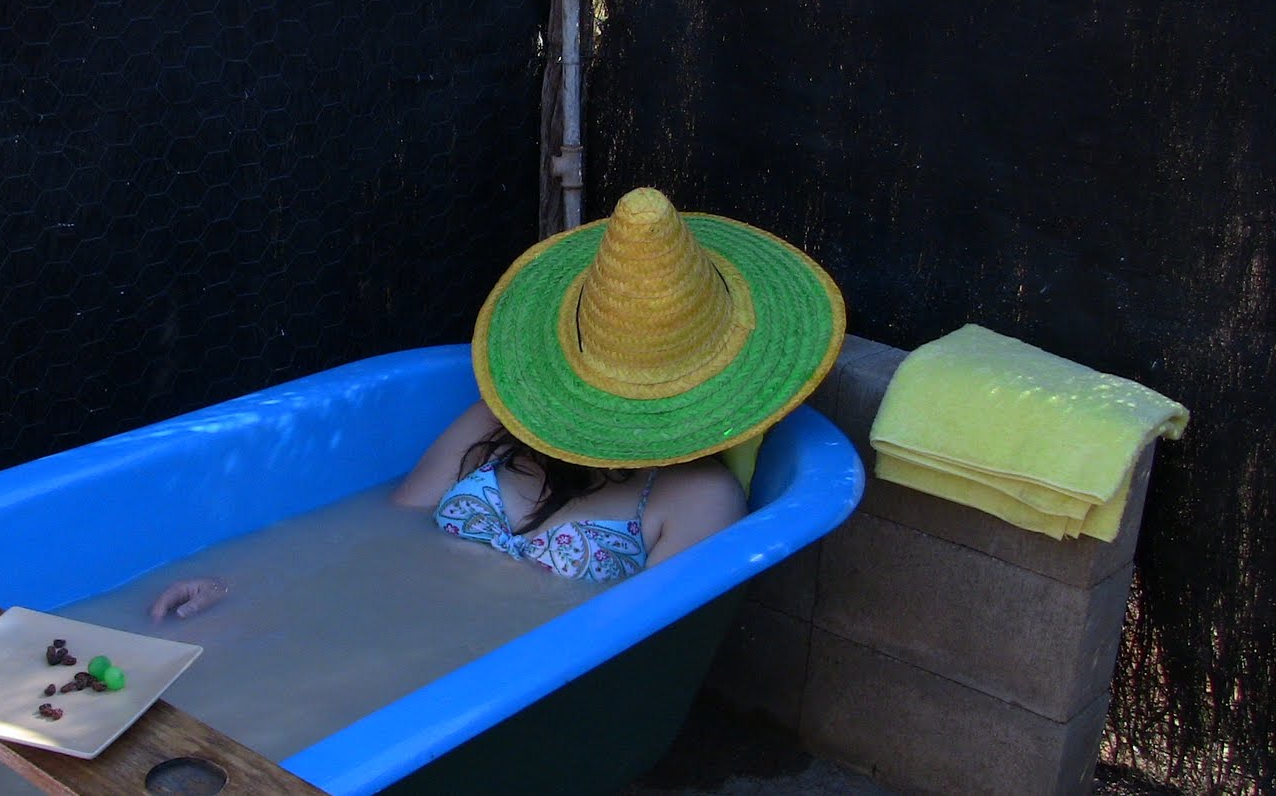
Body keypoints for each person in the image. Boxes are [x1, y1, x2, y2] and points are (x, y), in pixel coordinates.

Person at [151, 187, 845, 619]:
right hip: (385, 624)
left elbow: (622, 642)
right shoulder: (497, 421)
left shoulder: (697, 498)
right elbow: (374, 536)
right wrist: (242, 583)